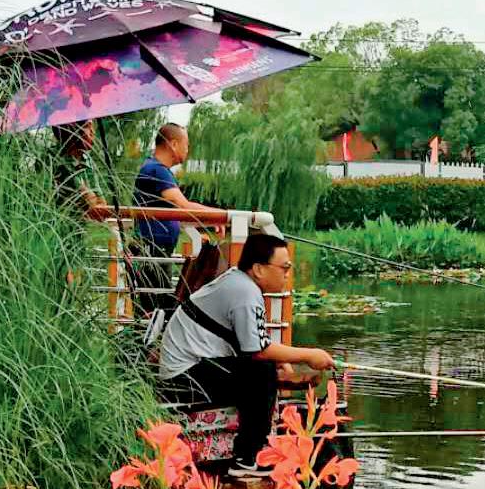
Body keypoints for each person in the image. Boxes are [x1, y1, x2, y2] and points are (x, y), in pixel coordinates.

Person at [159, 232, 335, 470]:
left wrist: (282, 361)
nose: (287, 274)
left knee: (262, 369)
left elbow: (252, 339)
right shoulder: (246, 293)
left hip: (190, 371)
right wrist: (310, 355)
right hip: (183, 380)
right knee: (261, 372)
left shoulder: (238, 281)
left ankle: (252, 449)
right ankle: (247, 458)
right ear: (259, 269)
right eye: (284, 268)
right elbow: (258, 351)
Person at [131, 123, 224, 311]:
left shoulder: (156, 169)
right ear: (173, 144)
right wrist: (218, 216)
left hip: (155, 249)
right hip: (152, 250)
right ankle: (150, 340)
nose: (188, 149)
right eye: (186, 144)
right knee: (156, 309)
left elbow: (178, 212)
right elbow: (184, 206)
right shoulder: (156, 170)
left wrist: (205, 222)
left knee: (159, 306)